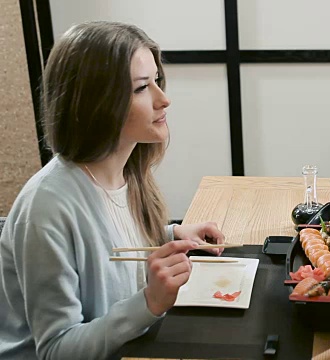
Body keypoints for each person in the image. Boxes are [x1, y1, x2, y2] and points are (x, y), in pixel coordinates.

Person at [0, 21, 226, 359]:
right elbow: (55, 350)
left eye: (156, 81)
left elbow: (106, 250)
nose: (163, 100)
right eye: (140, 88)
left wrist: (171, 233)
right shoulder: (46, 208)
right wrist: (149, 302)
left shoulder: (124, 173)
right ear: (96, 102)